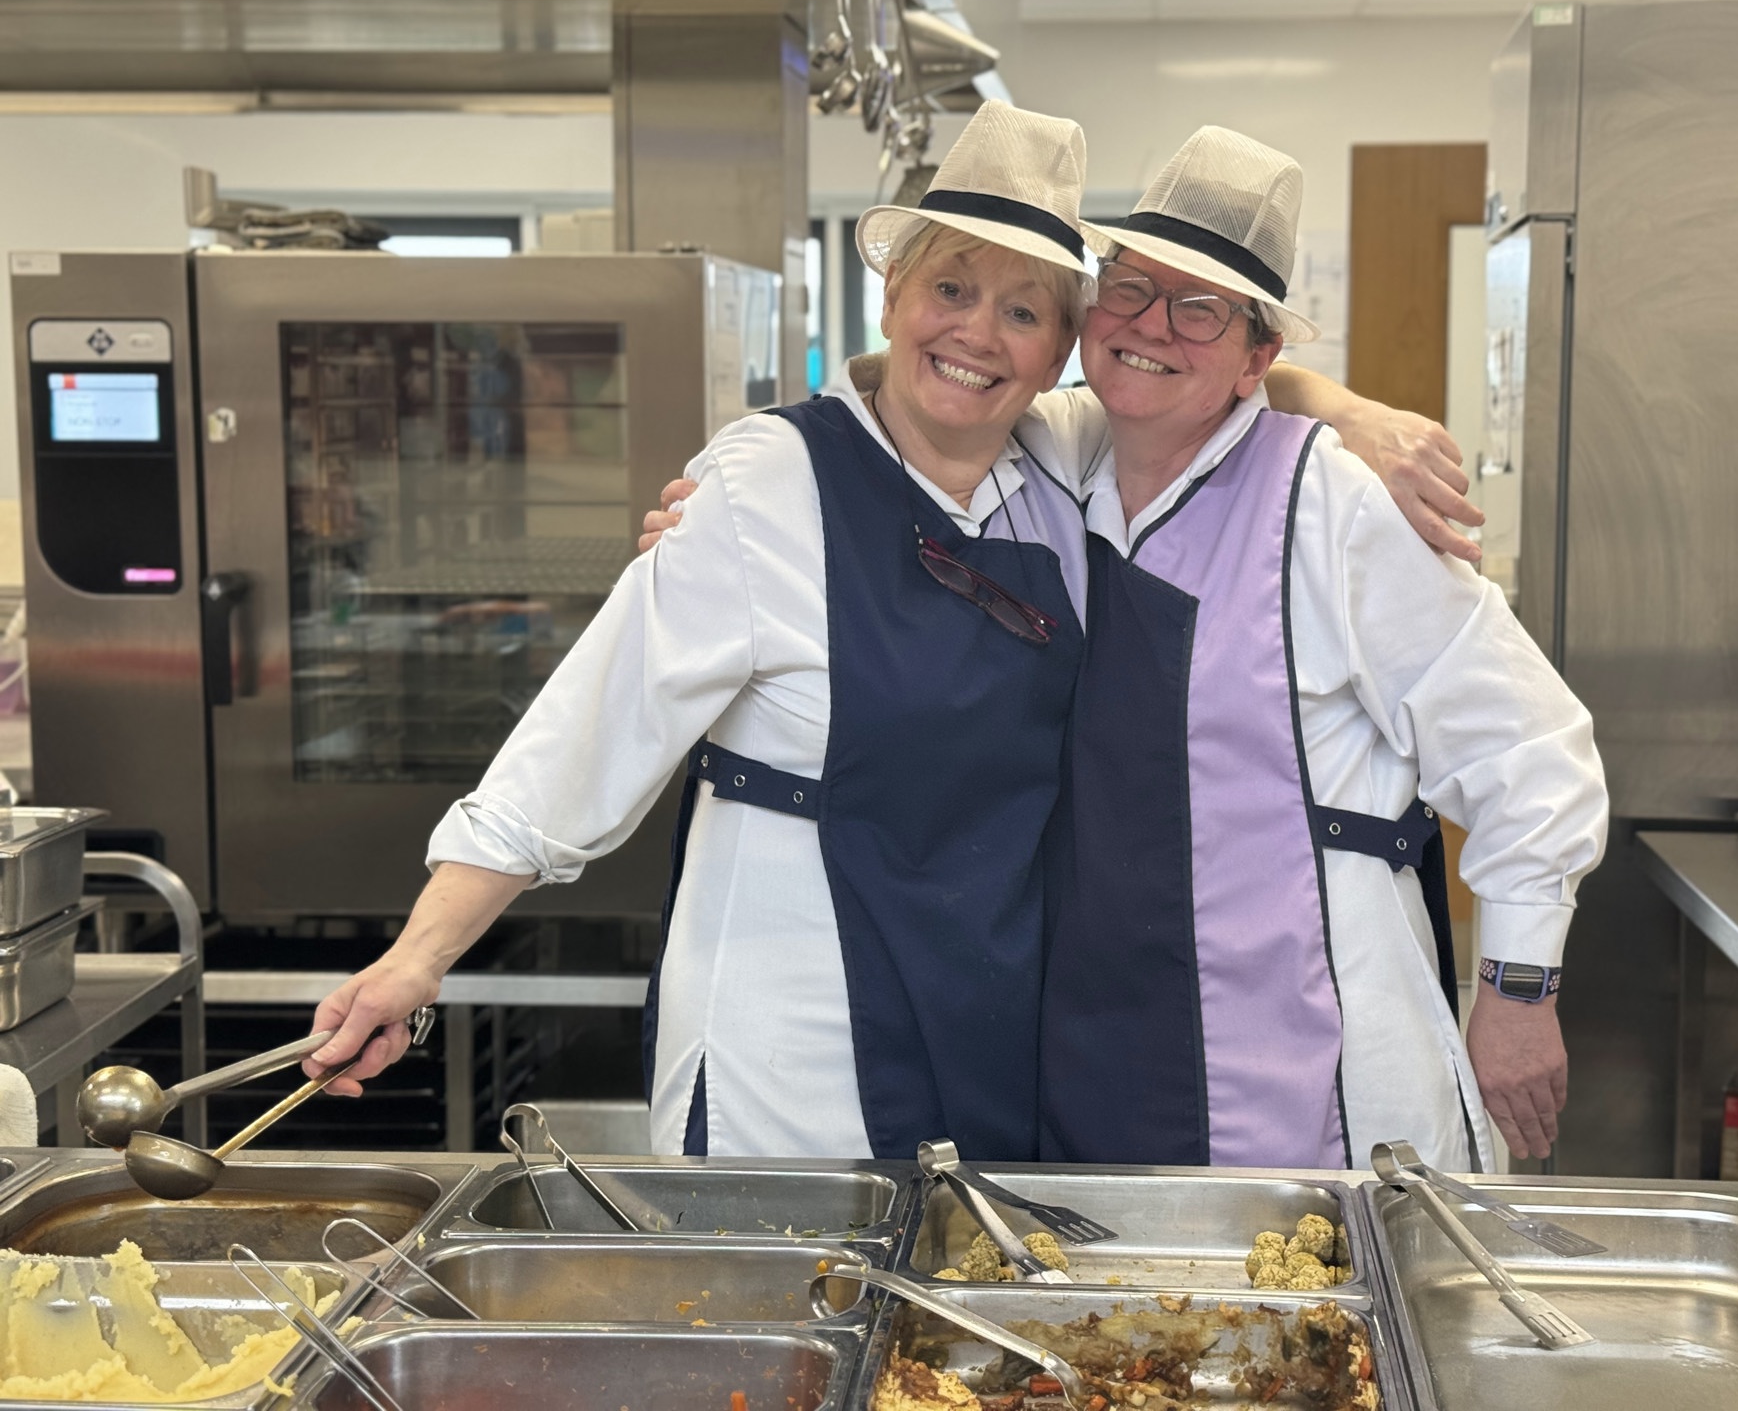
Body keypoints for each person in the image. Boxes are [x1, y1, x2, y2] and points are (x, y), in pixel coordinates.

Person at [302, 102, 1100, 1159]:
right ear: (893, 295)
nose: (976, 334)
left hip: (994, 986)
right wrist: (417, 960)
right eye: (950, 289)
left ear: (1059, 357)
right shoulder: (766, 477)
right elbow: (590, 729)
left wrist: (1361, 416)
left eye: (1023, 312)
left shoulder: (1064, 467)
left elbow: (1229, 394)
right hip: (794, 1009)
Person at [1024, 127, 1607, 1172]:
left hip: (1315, 1055)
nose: (1152, 324)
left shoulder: (1333, 502)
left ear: (1259, 356)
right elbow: (924, 395)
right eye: (1130, 288)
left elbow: (1533, 754)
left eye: (1200, 306)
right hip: (1098, 1033)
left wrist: (1518, 991)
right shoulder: (1052, 462)